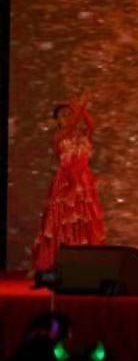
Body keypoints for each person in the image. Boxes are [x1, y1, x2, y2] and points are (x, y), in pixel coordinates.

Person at [30, 92, 106, 275]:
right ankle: (57, 262)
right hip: (66, 183)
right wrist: (79, 106)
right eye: (62, 115)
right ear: (57, 121)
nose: (67, 118)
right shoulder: (59, 136)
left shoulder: (83, 136)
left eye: (68, 114)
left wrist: (81, 109)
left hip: (84, 182)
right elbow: (72, 125)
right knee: (61, 222)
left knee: (84, 221)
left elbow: (91, 125)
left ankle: (84, 263)